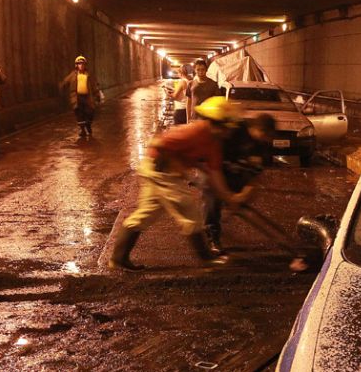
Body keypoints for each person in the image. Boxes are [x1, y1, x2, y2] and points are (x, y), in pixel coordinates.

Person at [108, 97, 254, 271]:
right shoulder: (193, 132)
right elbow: (158, 143)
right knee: (190, 210)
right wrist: (177, 163)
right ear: (217, 124)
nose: (229, 132)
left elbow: (215, 174)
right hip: (160, 170)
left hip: (161, 172)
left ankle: (118, 259)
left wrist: (230, 198)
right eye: (228, 128)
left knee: (146, 214)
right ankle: (207, 260)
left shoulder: (214, 143)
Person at [203, 113, 276, 257]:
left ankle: (229, 209)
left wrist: (241, 197)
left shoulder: (263, 147)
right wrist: (226, 194)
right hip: (215, 169)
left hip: (236, 173)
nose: (265, 140)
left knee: (240, 199)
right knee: (212, 198)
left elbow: (255, 178)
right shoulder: (234, 131)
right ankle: (212, 236)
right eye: (264, 135)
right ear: (257, 129)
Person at [59, 55, 101, 137]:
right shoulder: (73, 75)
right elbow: (65, 82)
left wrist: (97, 95)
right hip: (77, 98)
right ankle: (83, 130)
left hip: (88, 98)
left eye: (82, 64)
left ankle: (88, 126)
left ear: (85, 65)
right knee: (79, 114)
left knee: (90, 113)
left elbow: (94, 86)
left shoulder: (89, 75)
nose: (81, 65)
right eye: (79, 64)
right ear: (76, 65)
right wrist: (60, 86)